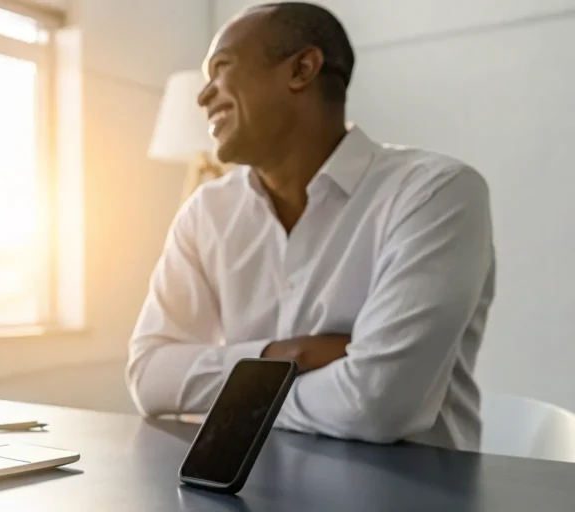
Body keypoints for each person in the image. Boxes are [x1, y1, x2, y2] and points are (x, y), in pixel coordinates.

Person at [125, 2, 494, 451]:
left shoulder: (436, 194)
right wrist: (291, 355)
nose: (203, 96)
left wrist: (237, 395)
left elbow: (373, 404)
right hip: (250, 487)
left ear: (301, 69)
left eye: (221, 69)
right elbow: (149, 378)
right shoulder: (207, 211)